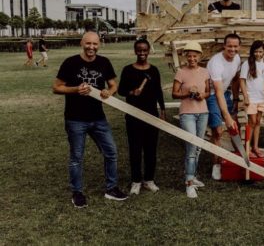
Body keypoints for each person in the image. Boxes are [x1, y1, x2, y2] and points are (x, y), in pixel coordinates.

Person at [52, 31, 127, 208]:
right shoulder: (70, 63)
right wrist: (75, 89)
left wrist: (110, 91)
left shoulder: (104, 62)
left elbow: (113, 84)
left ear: (99, 44)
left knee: (111, 152)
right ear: (81, 43)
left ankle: (111, 189)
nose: (91, 47)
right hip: (75, 119)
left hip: (98, 118)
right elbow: (56, 87)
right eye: (88, 44)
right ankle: (77, 192)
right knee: (76, 157)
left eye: (95, 44)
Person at [118, 38, 165, 195]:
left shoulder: (154, 71)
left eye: (145, 50)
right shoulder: (128, 70)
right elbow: (121, 90)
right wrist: (132, 92)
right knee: (135, 149)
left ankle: (149, 180)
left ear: (149, 51)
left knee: (151, 149)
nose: (142, 53)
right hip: (133, 115)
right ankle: (136, 181)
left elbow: (158, 91)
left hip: (151, 115)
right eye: (139, 50)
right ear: (135, 51)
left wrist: (163, 111)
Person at [172, 41, 210, 198]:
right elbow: (174, 94)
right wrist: (188, 93)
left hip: (203, 112)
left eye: (195, 56)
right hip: (187, 113)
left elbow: (208, 91)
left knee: (198, 147)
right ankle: (188, 182)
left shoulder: (205, 72)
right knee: (191, 147)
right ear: (186, 57)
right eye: (189, 56)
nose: (192, 58)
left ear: (199, 56)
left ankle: (193, 177)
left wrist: (202, 95)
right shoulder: (181, 72)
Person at [206, 33, 242, 180]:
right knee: (218, 130)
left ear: (239, 47)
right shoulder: (216, 63)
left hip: (225, 93)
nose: (232, 49)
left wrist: (235, 98)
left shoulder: (237, 59)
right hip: (213, 94)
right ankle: (216, 165)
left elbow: (235, 80)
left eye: (235, 46)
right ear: (224, 46)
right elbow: (218, 92)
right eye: (229, 46)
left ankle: (238, 156)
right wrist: (226, 117)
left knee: (235, 125)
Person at [240, 40, 264, 158]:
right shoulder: (246, 64)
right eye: (256, 51)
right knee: (251, 122)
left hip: (261, 98)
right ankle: (247, 148)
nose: (258, 54)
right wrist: (246, 97)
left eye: (260, 51)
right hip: (251, 98)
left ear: (263, 52)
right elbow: (242, 80)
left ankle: (255, 147)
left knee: (257, 123)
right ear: (252, 52)